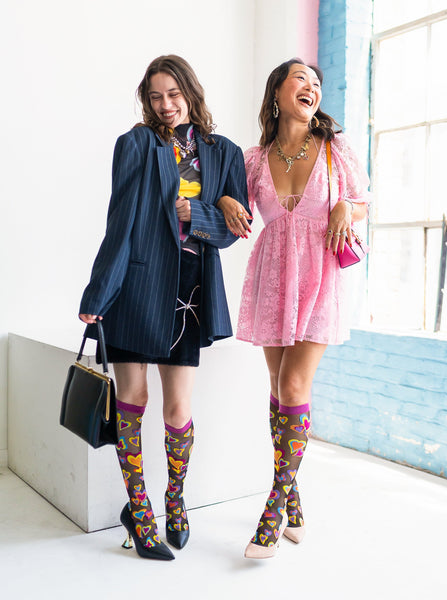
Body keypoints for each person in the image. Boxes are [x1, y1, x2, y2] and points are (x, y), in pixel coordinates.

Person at [78, 55, 249, 560]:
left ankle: (175, 501)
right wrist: (98, 293)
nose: (165, 105)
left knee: (178, 409)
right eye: (155, 97)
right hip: (137, 286)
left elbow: (234, 230)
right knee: (132, 402)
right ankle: (140, 508)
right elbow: (120, 221)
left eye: (173, 94)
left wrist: (198, 211)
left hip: (189, 291)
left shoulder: (224, 152)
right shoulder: (136, 144)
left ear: (191, 92)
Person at [218, 58, 370, 559]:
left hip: (320, 276)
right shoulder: (254, 159)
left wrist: (345, 206)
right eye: (301, 79)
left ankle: (273, 510)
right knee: (278, 387)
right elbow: (229, 199)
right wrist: (225, 203)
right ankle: (295, 501)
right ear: (278, 93)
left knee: (294, 384)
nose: (312, 87)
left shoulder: (335, 148)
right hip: (272, 277)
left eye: (317, 82)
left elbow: (363, 201)